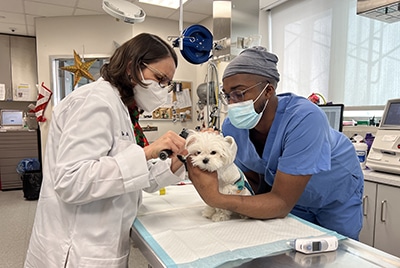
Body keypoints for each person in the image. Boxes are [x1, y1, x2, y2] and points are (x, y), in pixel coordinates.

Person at [25, 33, 186, 267]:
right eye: (159, 79)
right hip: (76, 248)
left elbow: (136, 177)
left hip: (102, 242)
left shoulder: (124, 108)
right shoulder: (95, 101)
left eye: (166, 84)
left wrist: (181, 157)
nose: (162, 89)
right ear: (132, 67)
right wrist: (147, 153)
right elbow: (71, 180)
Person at [187, 46, 364, 240]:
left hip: (333, 195)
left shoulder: (305, 118)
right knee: (294, 250)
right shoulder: (233, 127)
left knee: (339, 254)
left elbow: (280, 203)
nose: (232, 102)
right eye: (227, 95)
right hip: (288, 199)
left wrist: (217, 198)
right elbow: (251, 181)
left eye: (239, 93)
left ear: (268, 90)